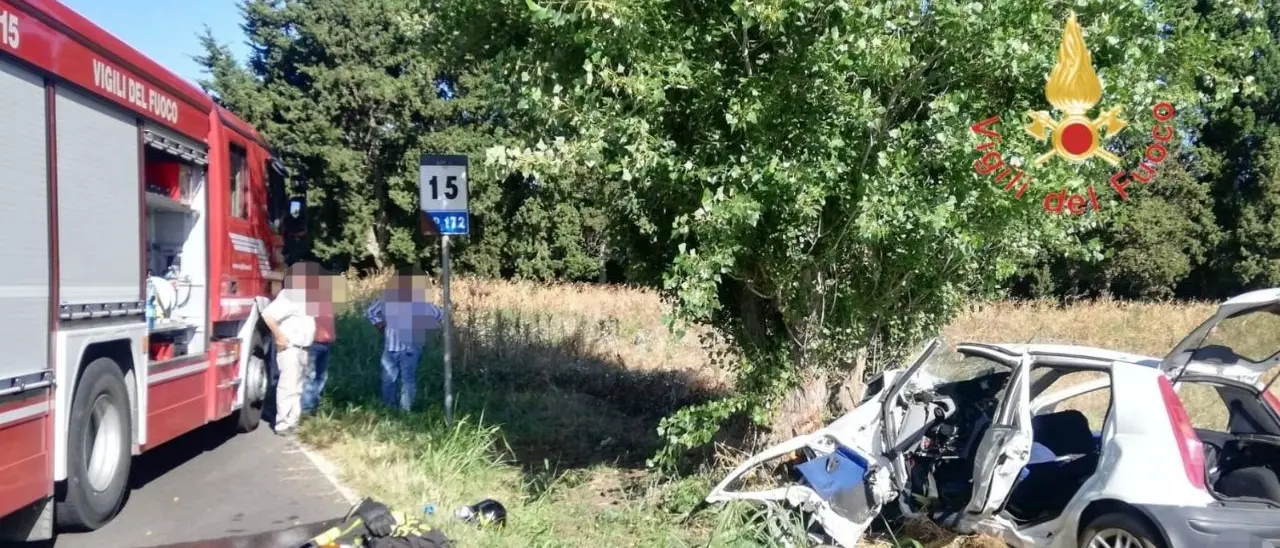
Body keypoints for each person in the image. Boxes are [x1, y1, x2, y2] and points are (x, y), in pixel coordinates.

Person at [366, 268, 443, 412]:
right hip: (392, 346)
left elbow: (438, 314)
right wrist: (380, 325)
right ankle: (389, 407)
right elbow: (371, 312)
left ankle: (404, 411)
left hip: (411, 348)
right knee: (388, 378)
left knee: (407, 379)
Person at [262, 263, 318, 437]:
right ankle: (283, 424)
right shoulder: (290, 295)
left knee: (297, 387)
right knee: (288, 387)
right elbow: (268, 315)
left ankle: (293, 421)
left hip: (303, 348)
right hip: (290, 347)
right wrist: (279, 336)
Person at [303, 267, 340, 415]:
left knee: (321, 376)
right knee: (310, 376)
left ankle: (314, 404)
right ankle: (306, 408)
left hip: (326, 343)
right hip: (313, 342)